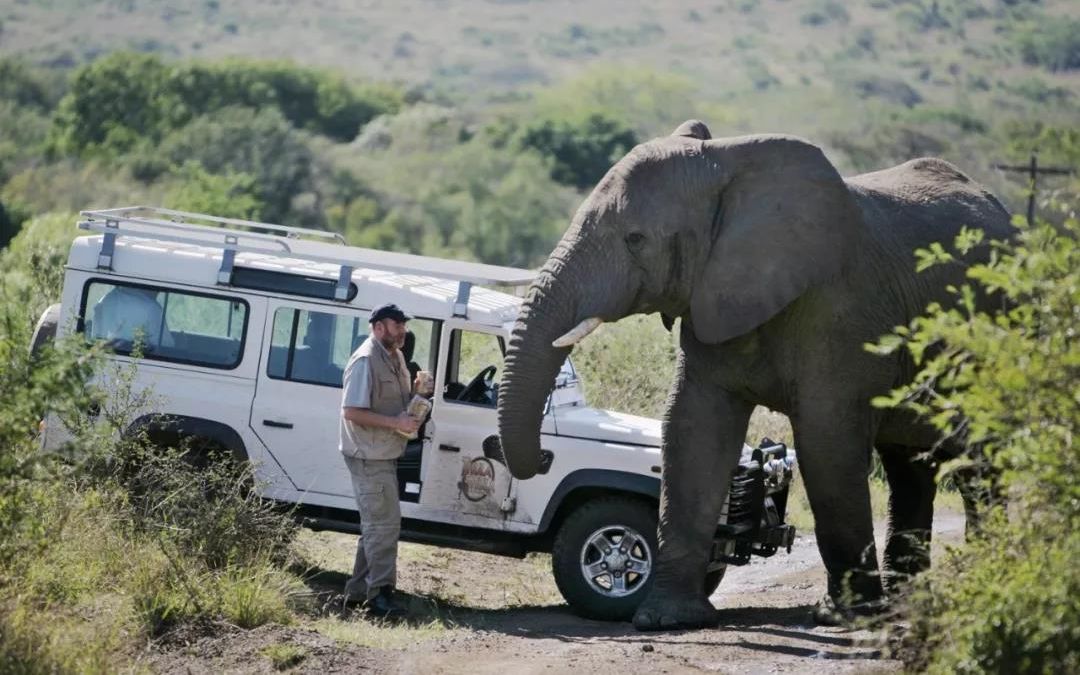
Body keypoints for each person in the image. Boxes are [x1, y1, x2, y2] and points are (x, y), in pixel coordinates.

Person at [339, 303, 423, 618]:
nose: (402, 329)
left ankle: (358, 592)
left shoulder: (395, 356)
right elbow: (351, 411)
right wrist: (396, 424)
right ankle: (380, 598)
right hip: (368, 456)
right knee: (385, 526)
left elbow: (393, 404)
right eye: (396, 324)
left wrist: (416, 392)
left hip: (385, 453)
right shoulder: (365, 360)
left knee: (375, 525)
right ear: (377, 327)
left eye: (403, 323)